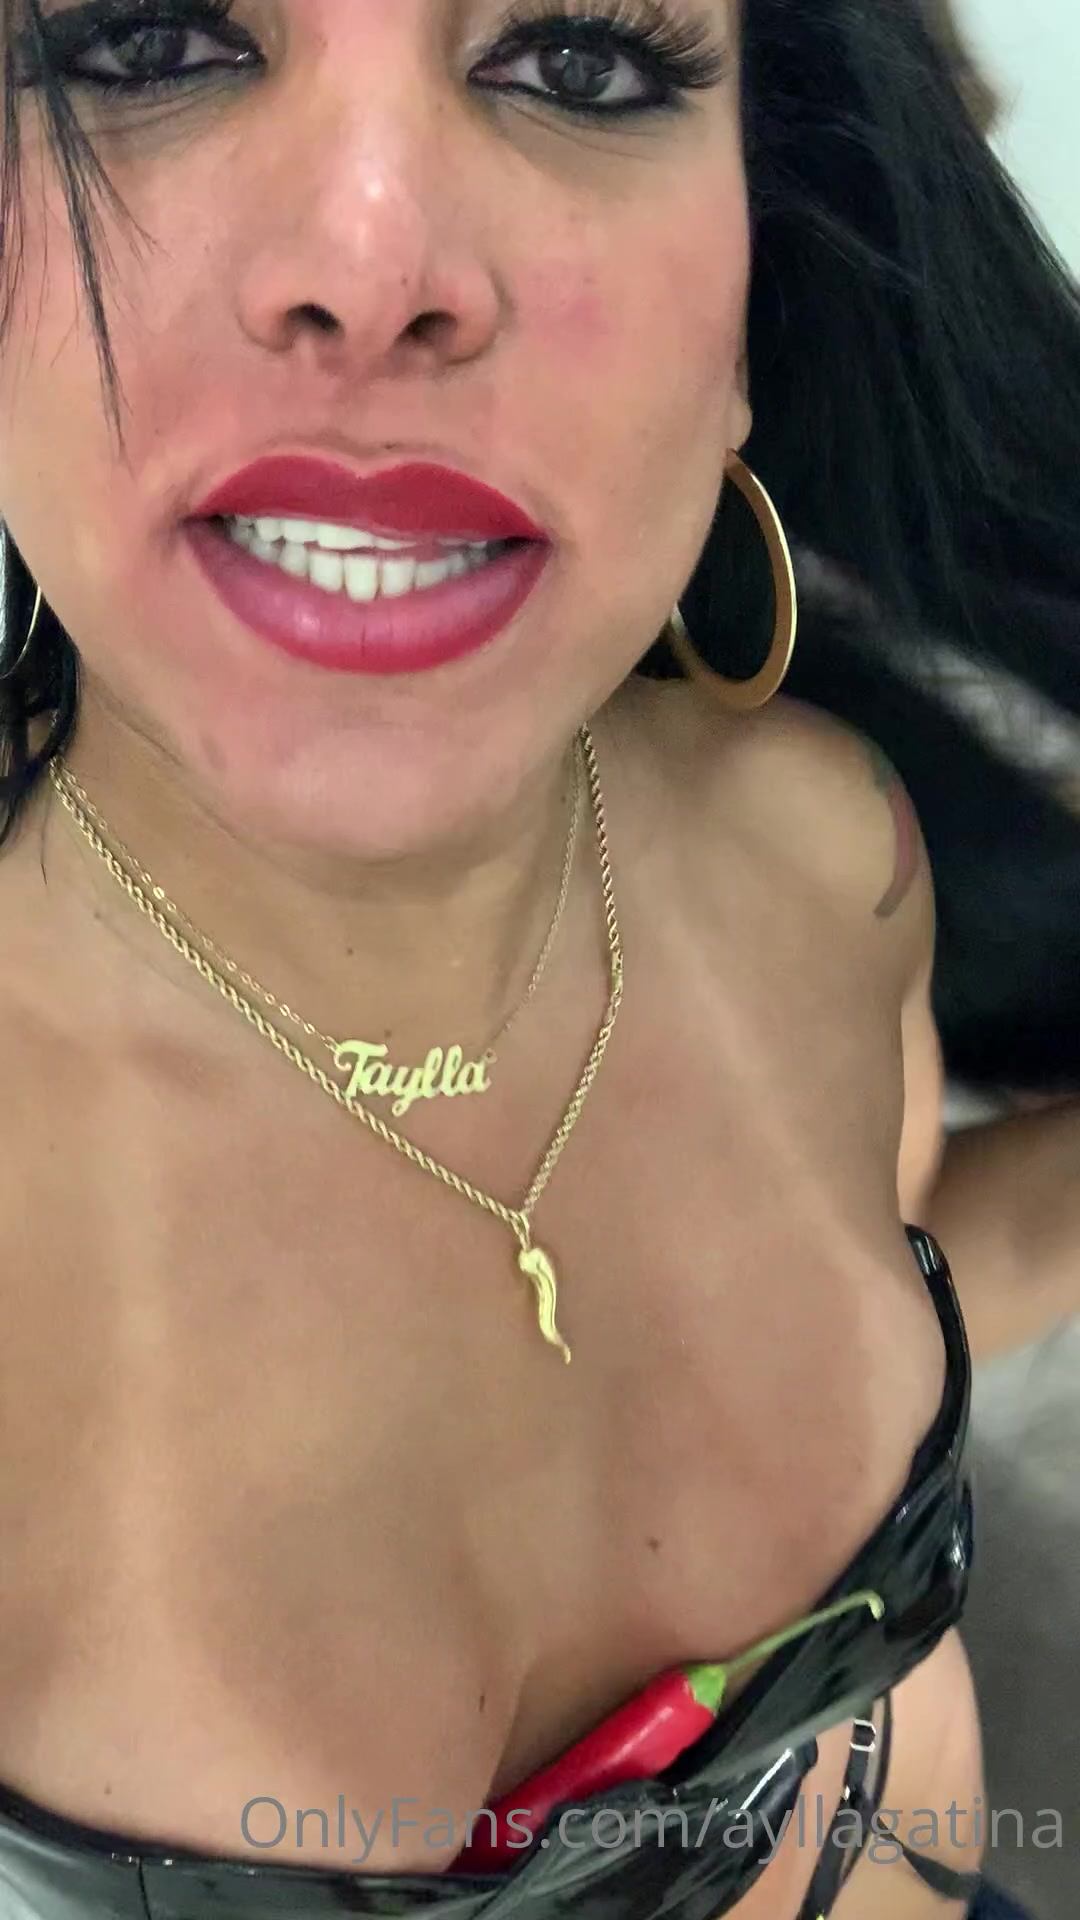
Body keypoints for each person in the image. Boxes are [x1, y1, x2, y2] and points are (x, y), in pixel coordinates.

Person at [0, 5, 1075, 1920]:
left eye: (582, 64)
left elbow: (878, 1230)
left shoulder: (828, 848)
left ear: (747, 311)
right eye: (151, 39)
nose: (372, 262)